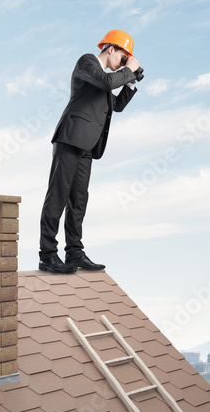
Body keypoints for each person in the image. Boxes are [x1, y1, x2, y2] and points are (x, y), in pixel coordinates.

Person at [38, 30, 142, 274]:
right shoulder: (88, 62)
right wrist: (127, 70)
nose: (124, 62)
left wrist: (130, 82)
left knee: (78, 201)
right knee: (58, 196)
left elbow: (115, 106)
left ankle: (74, 252)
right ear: (110, 49)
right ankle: (47, 255)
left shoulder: (104, 78)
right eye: (124, 57)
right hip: (70, 138)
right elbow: (107, 82)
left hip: (87, 144)